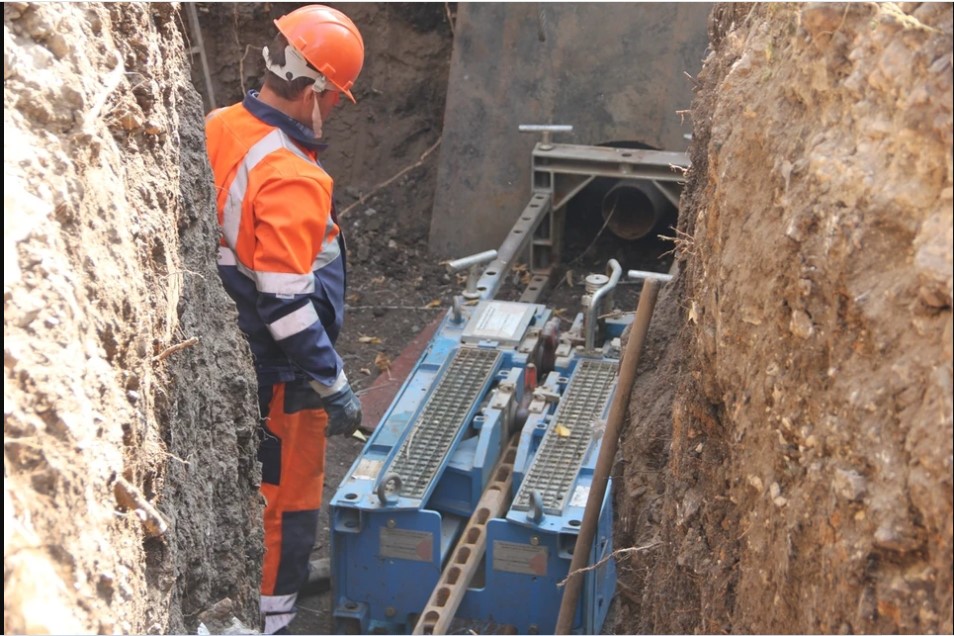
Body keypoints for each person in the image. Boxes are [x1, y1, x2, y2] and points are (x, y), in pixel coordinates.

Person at [204, 5, 364, 634]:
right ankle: (272, 622)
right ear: (317, 90)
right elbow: (287, 302)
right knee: (289, 509)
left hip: (230, 347)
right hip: (281, 373)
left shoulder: (220, 126)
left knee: (249, 494)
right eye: (338, 98)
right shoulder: (293, 174)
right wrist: (332, 382)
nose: (338, 110)